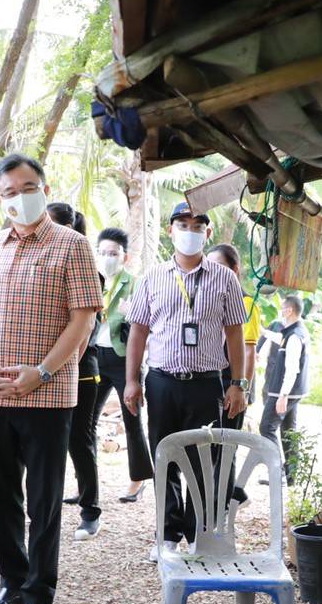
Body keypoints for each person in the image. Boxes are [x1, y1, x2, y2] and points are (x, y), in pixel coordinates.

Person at [0, 154, 102, 604]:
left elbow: (83, 318)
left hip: (48, 396)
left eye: (28, 187)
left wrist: (41, 373)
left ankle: (40, 596)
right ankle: (11, 582)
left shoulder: (72, 245)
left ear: (44, 189)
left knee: (43, 502)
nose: (20, 198)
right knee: (0, 497)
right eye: (9, 192)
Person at [123, 202, 248, 552]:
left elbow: (235, 334)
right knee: (164, 457)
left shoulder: (224, 278)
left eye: (197, 226)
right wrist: (132, 380)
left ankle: (197, 534)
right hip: (161, 382)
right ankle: (166, 535)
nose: (189, 232)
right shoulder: (153, 277)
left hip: (206, 382)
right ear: (170, 230)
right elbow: (138, 331)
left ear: (208, 233)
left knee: (203, 462)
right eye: (182, 224)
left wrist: (238, 384)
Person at [47, 202, 106, 540]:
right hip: (42, 369)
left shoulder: (89, 271)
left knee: (78, 440)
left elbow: (84, 329)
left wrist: (60, 362)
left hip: (80, 370)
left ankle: (90, 510)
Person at [94, 226, 152, 501]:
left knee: (132, 420)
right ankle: (87, 484)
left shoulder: (135, 284)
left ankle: (138, 480)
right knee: (85, 422)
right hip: (94, 357)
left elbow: (143, 324)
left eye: (113, 253)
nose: (108, 258)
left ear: (124, 257)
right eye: (103, 252)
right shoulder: (92, 281)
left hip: (123, 358)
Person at [206, 243, 260, 430]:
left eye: (220, 266)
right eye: (209, 266)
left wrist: (242, 389)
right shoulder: (211, 301)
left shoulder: (246, 304)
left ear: (235, 269)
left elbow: (249, 351)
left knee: (227, 445)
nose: (214, 272)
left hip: (233, 383)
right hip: (214, 382)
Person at [256, 294, 309, 479]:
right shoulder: (296, 332)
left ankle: (276, 474)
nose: (281, 311)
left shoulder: (294, 336)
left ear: (289, 310)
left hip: (285, 391)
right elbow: (280, 339)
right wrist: (263, 331)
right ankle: (292, 475)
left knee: (266, 428)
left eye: (282, 307)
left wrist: (283, 394)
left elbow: (292, 368)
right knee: (288, 432)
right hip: (295, 392)